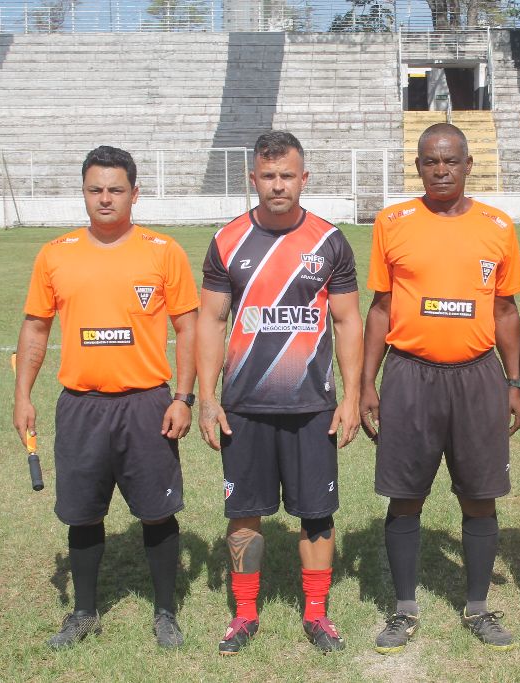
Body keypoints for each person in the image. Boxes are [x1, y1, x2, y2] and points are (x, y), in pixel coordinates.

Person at [13, 146, 199, 649]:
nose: (105, 199)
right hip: (81, 405)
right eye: (95, 189)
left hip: (147, 405)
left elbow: (188, 327)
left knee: (157, 512)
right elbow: (35, 327)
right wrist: (22, 395)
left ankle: (165, 612)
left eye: (116, 189)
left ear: (135, 194)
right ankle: (84, 613)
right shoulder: (56, 254)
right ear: (84, 192)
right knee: (82, 513)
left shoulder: (163, 251)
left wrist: (183, 398)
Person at [361, 123, 520, 653]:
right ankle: (404, 607)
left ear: (468, 164)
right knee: (405, 496)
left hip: (477, 376)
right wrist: (366, 383)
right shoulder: (392, 222)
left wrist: (515, 382)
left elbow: (506, 311)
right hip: (410, 374)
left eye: (450, 160)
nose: (440, 170)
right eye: (430, 161)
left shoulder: (497, 226)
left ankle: (477, 606)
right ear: (418, 166)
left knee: (479, 496)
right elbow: (381, 307)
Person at [196, 131, 363, 655]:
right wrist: (207, 397)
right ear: (253, 178)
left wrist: (351, 396)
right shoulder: (227, 241)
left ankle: (316, 613)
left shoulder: (329, 241)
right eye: (267, 176)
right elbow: (210, 320)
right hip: (244, 406)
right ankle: (245, 613)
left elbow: (348, 321)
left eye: (287, 175)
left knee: (317, 512)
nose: (277, 185)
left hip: (312, 405)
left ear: (303, 178)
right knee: (244, 512)